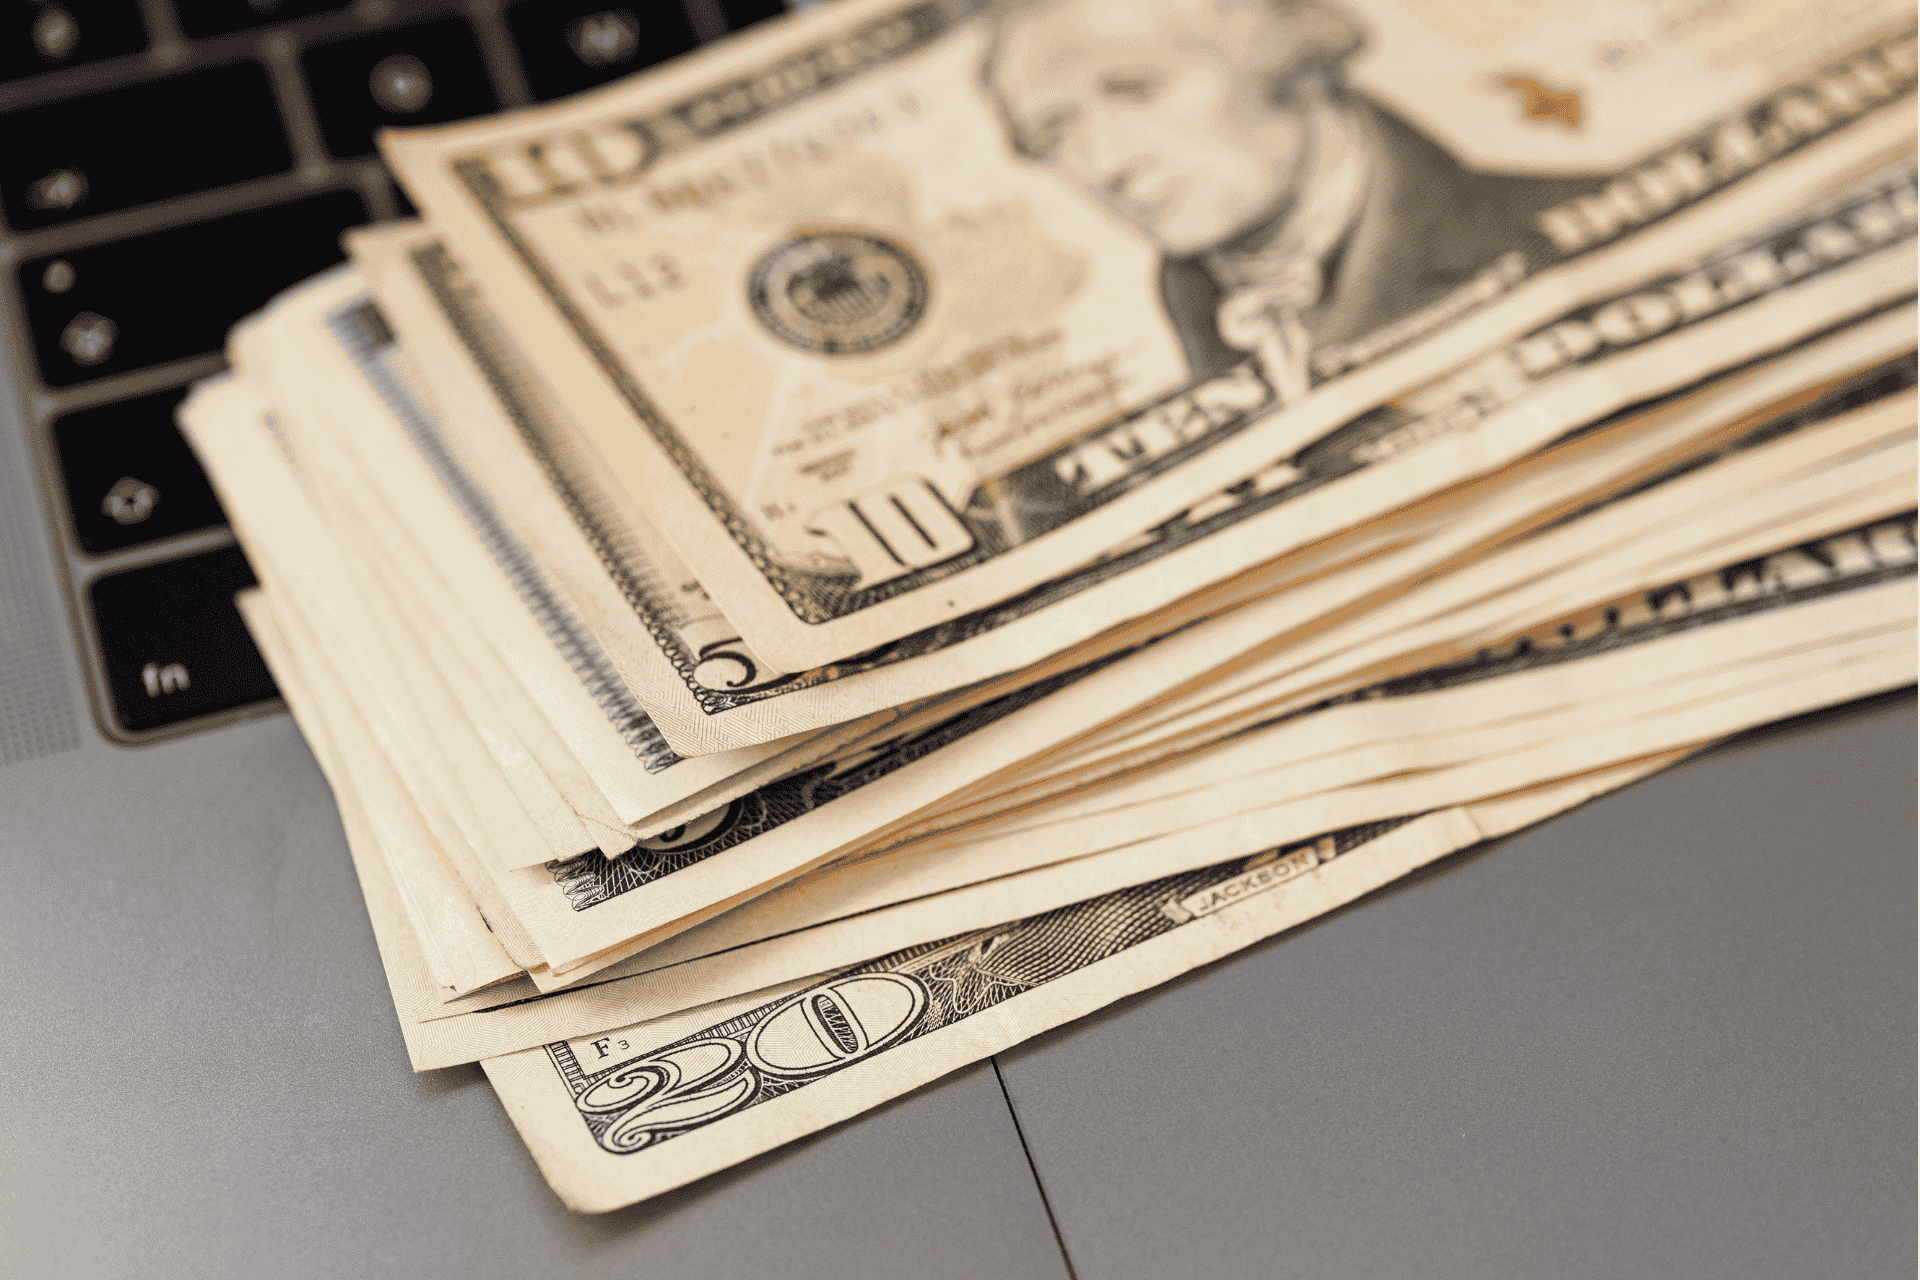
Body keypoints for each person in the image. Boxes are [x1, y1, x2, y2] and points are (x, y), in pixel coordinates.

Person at [980, 0, 1594, 398]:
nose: (1107, 163)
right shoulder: (1185, 350)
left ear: (1280, 52)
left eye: (1137, 89)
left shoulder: (1576, 222)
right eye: (1055, 132)